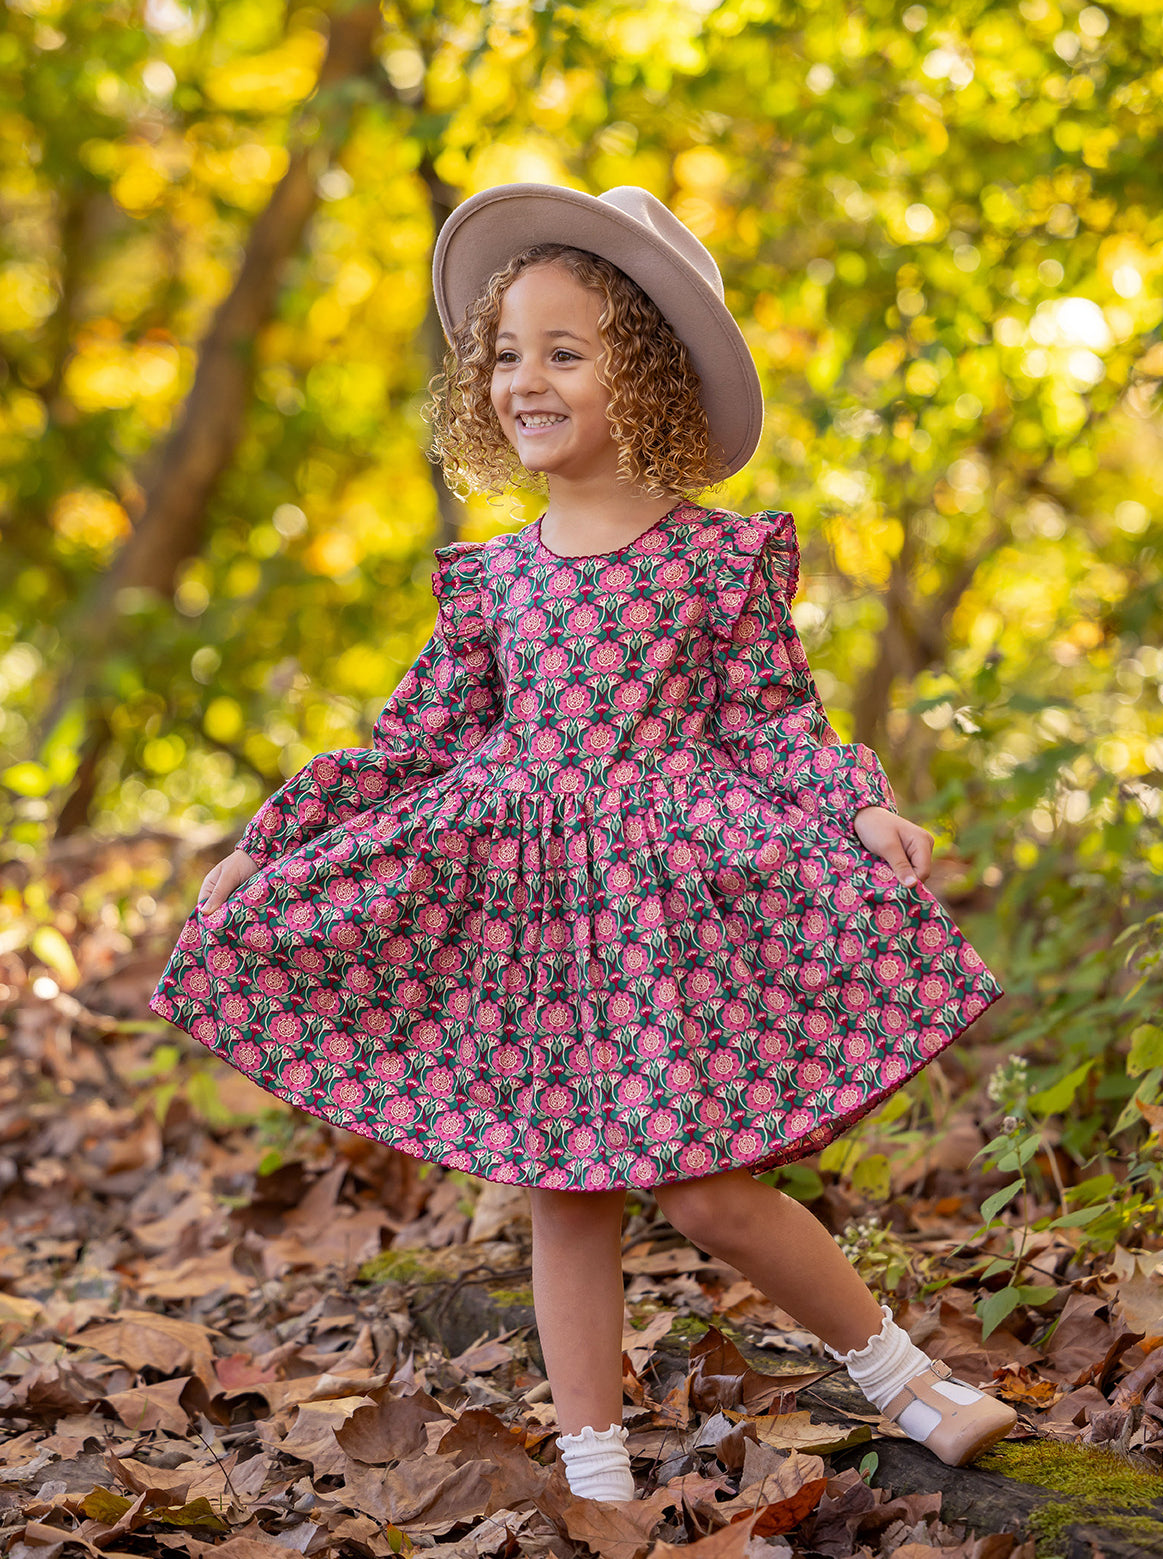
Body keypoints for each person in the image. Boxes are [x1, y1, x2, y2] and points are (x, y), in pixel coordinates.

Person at [148, 183, 1017, 1502]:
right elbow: (415, 741)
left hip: (669, 910)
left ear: (650, 377)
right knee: (568, 1191)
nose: (523, 380)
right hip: (532, 914)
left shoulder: (717, 563)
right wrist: (275, 837)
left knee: (710, 1188)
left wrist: (857, 805)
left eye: (566, 352)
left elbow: (776, 723)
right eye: (505, 354)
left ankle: (902, 1377)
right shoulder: (493, 580)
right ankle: (595, 1465)